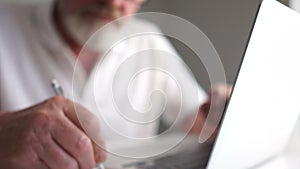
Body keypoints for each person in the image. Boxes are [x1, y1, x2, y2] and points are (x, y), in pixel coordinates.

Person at [0, 0, 232, 168]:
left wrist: (226, 111)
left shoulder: (148, 39)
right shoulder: (5, 23)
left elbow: (201, 124)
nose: (113, 2)